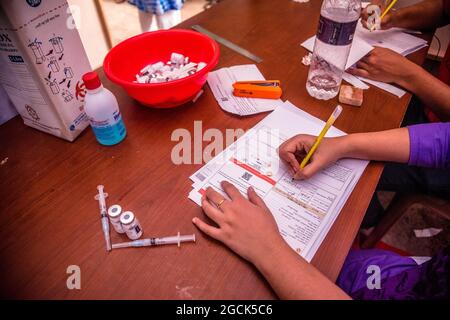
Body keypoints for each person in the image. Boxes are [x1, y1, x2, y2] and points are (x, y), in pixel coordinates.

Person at [192, 122, 450, 299]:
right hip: (409, 274)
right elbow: (444, 141)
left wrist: (266, 247)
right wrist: (342, 145)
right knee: (333, 258)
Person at [348, 0, 450, 227]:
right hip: (430, 105)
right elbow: (444, 9)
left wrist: (409, 75)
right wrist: (393, 18)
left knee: (346, 168)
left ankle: (364, 220)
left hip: (443, 152)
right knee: (351, 121)